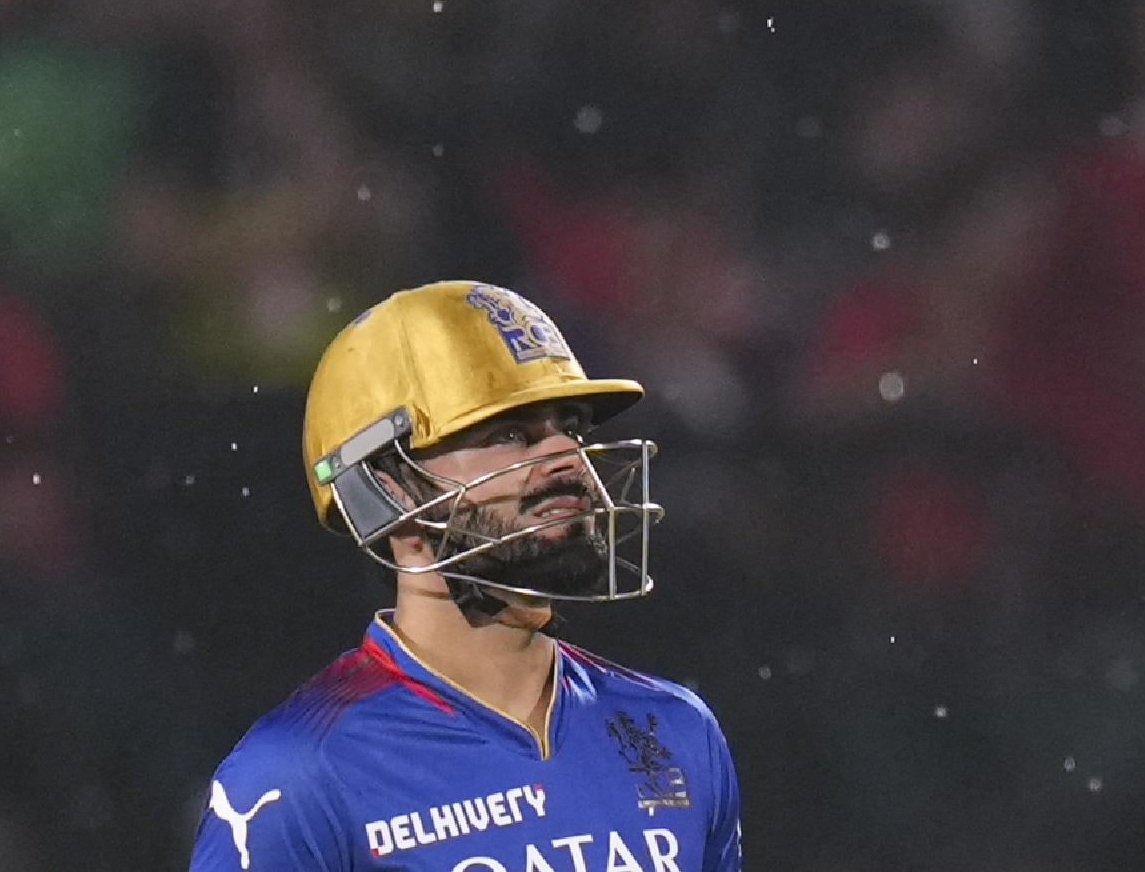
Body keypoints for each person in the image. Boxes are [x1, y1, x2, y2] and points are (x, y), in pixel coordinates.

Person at [188, 280, 743, 871]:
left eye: (572, 429)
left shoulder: (675, 732)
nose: (567, 458)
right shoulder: (298, 772)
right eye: (509, 434)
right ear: (383, 487)